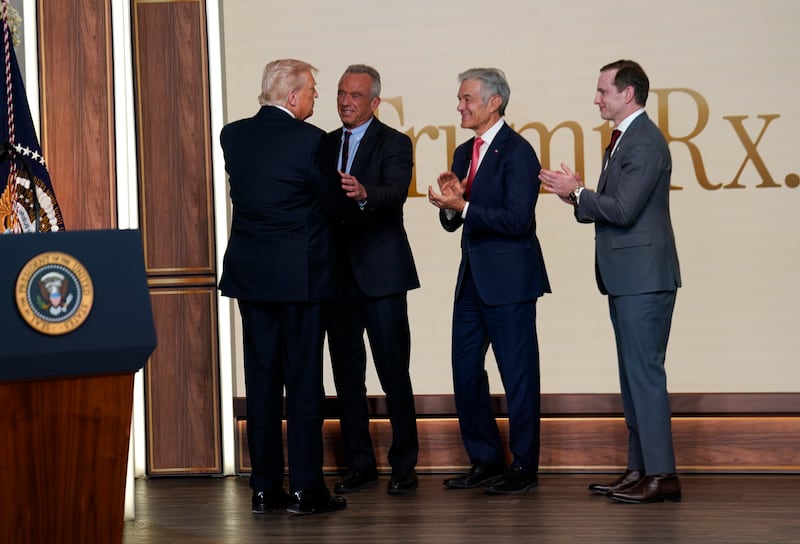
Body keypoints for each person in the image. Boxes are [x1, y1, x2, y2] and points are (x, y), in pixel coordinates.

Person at [539, 59, 682, 504]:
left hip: (644, 277)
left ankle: (662, 475)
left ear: (628, 94)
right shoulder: (624, 140)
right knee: (632, 377)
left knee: (645, 377)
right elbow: (613, 207)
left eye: (603, 91)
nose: (596, 98)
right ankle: (640, 469)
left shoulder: (643, 142)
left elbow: (623, 211)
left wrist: (579, 193)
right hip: (627, 277)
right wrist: (576, 195)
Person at [218, 58, 348, 515]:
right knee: (304, 383)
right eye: (312, 90)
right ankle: (307, 489)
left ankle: (263, 487)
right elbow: (332, 205)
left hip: (252, 277)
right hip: (301, 278)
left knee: (262, 383)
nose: (316, 97)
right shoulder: (312, 141)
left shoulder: (232, 136)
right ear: (292, 97)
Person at [428, 67, 550, 494]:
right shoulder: (464, 152)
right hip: (471, 282)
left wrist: (463, 205)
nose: (459, 106)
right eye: (460, 99)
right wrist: (448, 205)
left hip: (511, 281)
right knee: (465, 371)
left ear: (494, 102)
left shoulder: (519, 153)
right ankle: (485, 459)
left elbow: (518, 221)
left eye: (466, 99)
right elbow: (454, 222)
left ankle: (524, 467)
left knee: (518, 375)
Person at [326, 64, 421, 495]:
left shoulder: (395, 143)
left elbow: (395, 192)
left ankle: (404, 464)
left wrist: (365, 193)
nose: (346, 101)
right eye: (342, 93)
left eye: (356, 96)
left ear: (375, 103)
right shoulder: (324, 144)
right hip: (336, 279)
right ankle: (360, 464)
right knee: (347, 376)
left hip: (382, 277)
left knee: (394, 373)